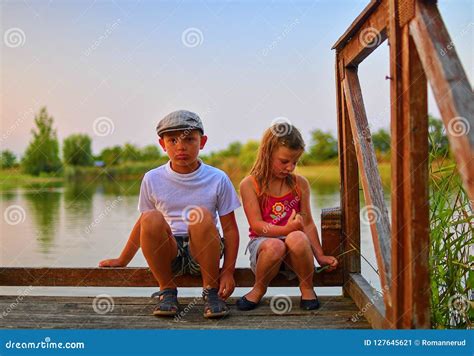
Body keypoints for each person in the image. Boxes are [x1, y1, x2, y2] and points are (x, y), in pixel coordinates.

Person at [99, 110, 240, 319]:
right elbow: (143, 224)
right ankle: (167, 290)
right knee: (151, 217)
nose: (180, 146)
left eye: (189, 139)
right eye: (172, 140)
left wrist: (228, 271)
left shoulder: (217, 178)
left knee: (199, 214)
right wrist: (123, 258)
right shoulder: (152, 178)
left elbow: (229, 229)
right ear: (162, 144)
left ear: (202, 142)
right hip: (169, 252)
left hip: (204, 252)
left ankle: (211, 292)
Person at [236, 123, 338, 311]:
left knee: (298, 237)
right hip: (264, 246)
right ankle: (258, 288)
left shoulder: (300, 184)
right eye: (284, 161)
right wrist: (287, 229)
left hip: (295, 253)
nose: (290, 167)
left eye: (295, 162)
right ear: (267, 154)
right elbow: (258, 226)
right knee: (276, 244)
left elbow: (307, 223)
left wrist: (321, 255)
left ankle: (307, 287)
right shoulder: (249, 185)